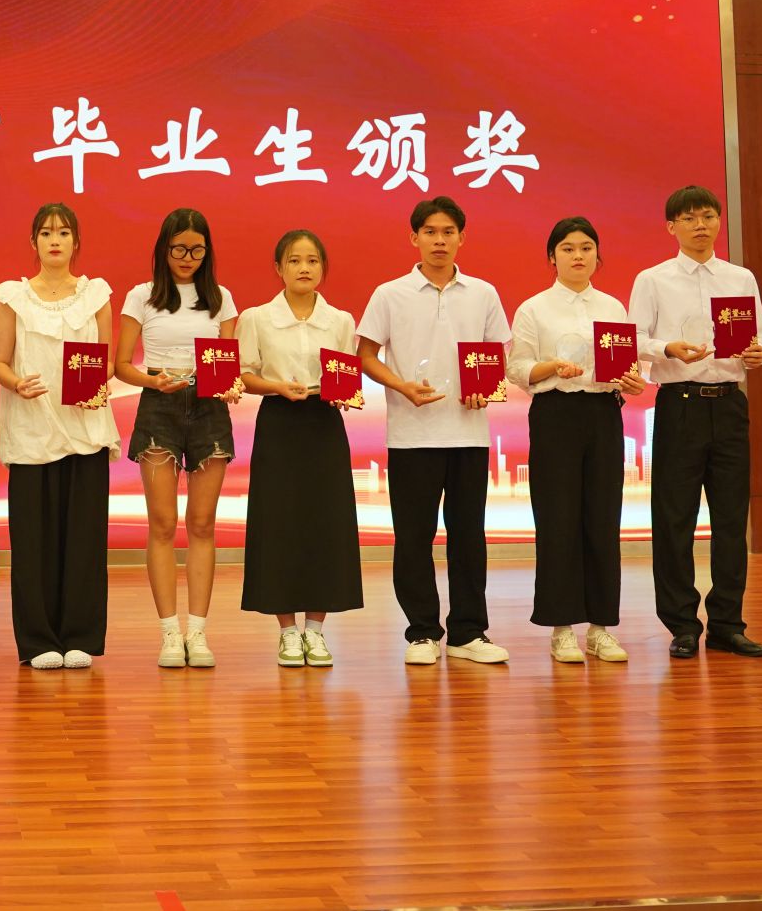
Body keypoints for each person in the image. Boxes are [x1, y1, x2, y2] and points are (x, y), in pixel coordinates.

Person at [357, 195, 513, 666]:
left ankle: (468, 632)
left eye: (448, 232)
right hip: (412, 435)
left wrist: (486, 389)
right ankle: (422, 632)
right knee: (413, 537)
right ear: (414, 238)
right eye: (430, 232)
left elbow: (498, 354)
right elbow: (365, 355)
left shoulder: (483, 293)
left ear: (462, 238)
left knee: (469, 536)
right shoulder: (390, 294)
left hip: (469, 434)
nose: (439, 241)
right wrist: (400, 386)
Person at [627, 184, 762, 659]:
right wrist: (666, 347)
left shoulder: (739, 277)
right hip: (680, 403)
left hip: (729, 404)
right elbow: (633, 338)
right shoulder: (653, 279)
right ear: (671, 227)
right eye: (688, 218)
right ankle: (682, 624)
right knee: (675, 519)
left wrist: (758, 352)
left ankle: (728, 623)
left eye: (707, 216)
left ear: (718, 222)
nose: (700, 225)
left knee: (730, 519)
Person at [507, 217, 646, 665]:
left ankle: (601, 629)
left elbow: (624, 367)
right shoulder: (534, 309)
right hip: (556, 415)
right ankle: (562, 628)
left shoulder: (613, 307)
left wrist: (631, 380)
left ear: (597, 256)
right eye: (567, 248)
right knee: (558, 519)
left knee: (603, 518)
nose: (578, 255)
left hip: (603, 414)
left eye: (586, 247)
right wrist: (550, 367)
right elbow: (517, 368)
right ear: (552, 257)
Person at [0, 202, 119, 669]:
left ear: (75, 242)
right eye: (46, 233)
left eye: (63, 232)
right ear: (34, 242)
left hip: (85, 430)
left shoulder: (96, 295)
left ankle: (80, 635)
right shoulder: (13, 298)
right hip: (32, 432)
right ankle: (38, 640)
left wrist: (98, 382)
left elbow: (105, 359)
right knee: (32, 542)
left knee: (84, 539)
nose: (55, 240)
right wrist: (16, 383)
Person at [113, 207, 241, 669]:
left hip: (209, 409)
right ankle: (169, 632)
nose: (188, 258)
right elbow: (120, 365)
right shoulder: (142, 296)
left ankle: (198, 632)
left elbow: (227, 363)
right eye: (179, 249)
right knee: (163, 523)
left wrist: (230, 383)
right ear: (163, 249)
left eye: (197, 250)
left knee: (203, 524)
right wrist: (153, 381)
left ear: (208, 252)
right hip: (159, 406)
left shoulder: (221, 298)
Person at [237, 229, 364, 667]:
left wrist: (346, 394)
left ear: (323, 268)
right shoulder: (256, 318)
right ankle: (288, 633)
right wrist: (276, 386)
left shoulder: (341, 320)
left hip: (323, 422)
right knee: (279, 523)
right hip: (279, 420)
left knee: (325, 523)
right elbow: (243, 375)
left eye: (312, 260)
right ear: (279, 268)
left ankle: (316, 631)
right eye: (294, 260)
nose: (304, 268)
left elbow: (346, 375)